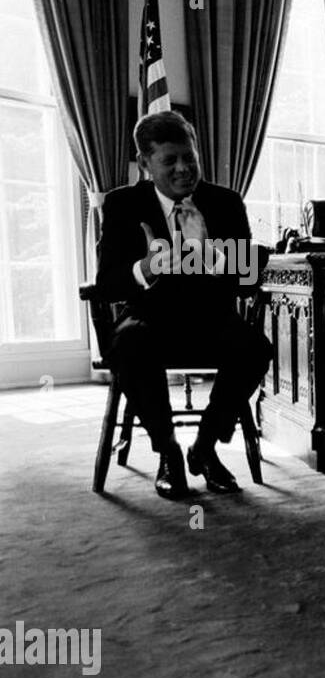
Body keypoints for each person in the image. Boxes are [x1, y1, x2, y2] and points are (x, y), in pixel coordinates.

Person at [95, 112, 272, 500]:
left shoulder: (224, 202)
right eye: (169, 160)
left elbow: (246, 281)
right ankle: (168, 453)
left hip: (211, 317)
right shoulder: (123, 205)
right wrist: (146, 267)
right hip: (149, 316)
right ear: (144, 164)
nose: (182, 169)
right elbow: (106, 283)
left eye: (189, 158)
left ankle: (205, 448)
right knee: (129, 345)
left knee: (256, 348)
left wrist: (207, 249)